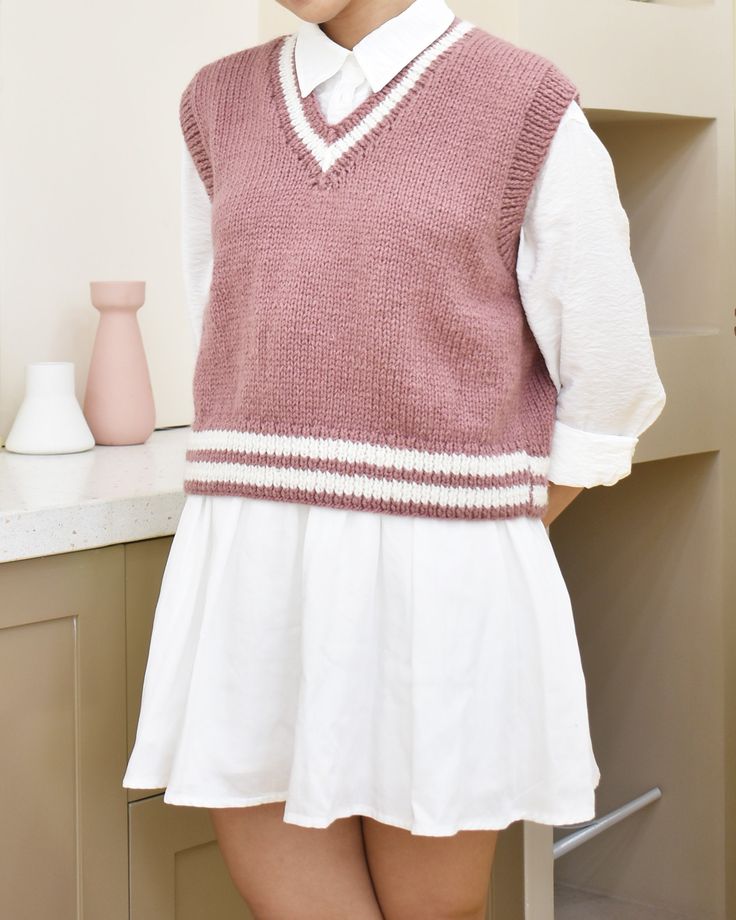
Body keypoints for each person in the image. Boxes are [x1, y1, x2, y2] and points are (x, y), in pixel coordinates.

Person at [122, 0, 667, 917]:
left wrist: (467, 547)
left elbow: (612, 381)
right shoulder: (215, 105)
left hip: (439, 585)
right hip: (252, 572)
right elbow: (225, 323)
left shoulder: (524, 104)